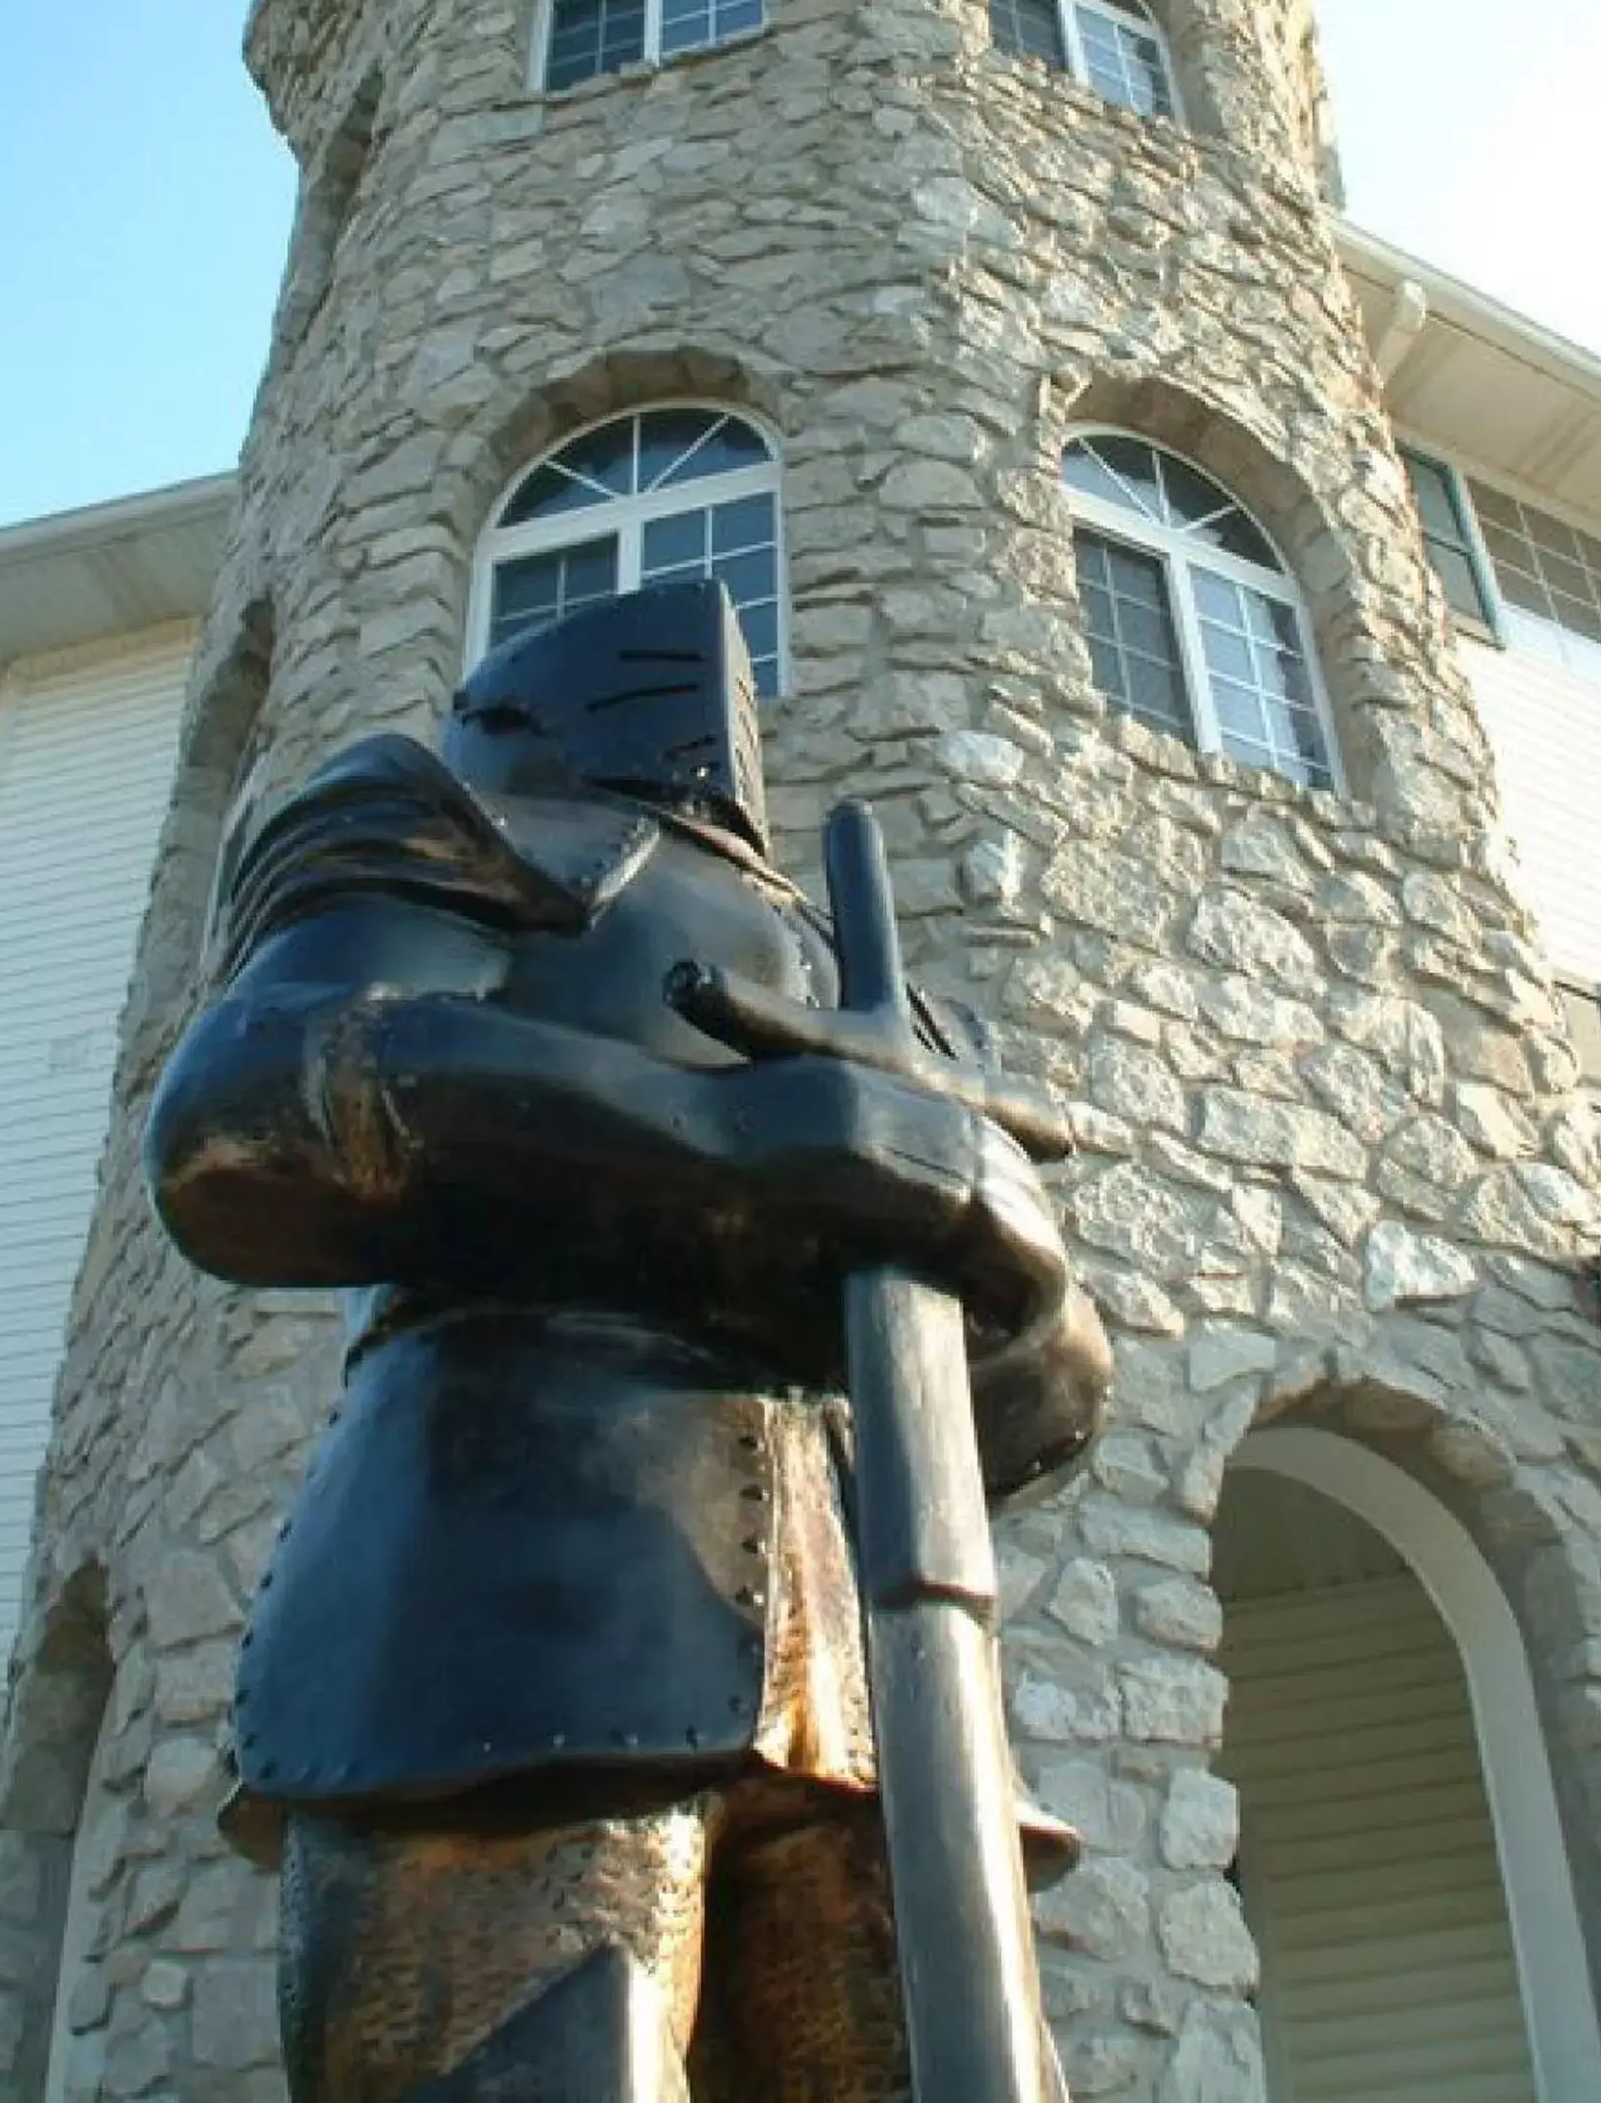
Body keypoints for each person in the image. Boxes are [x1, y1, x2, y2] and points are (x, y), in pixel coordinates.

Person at [147, 580, 1108, 2101]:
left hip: (874, 1672)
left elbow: (1030, 1409)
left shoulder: (878, 986)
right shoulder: (452, 825)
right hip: (516, 1608)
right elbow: (257, 1107)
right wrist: (726, 1139)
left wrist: (1016, 1259)